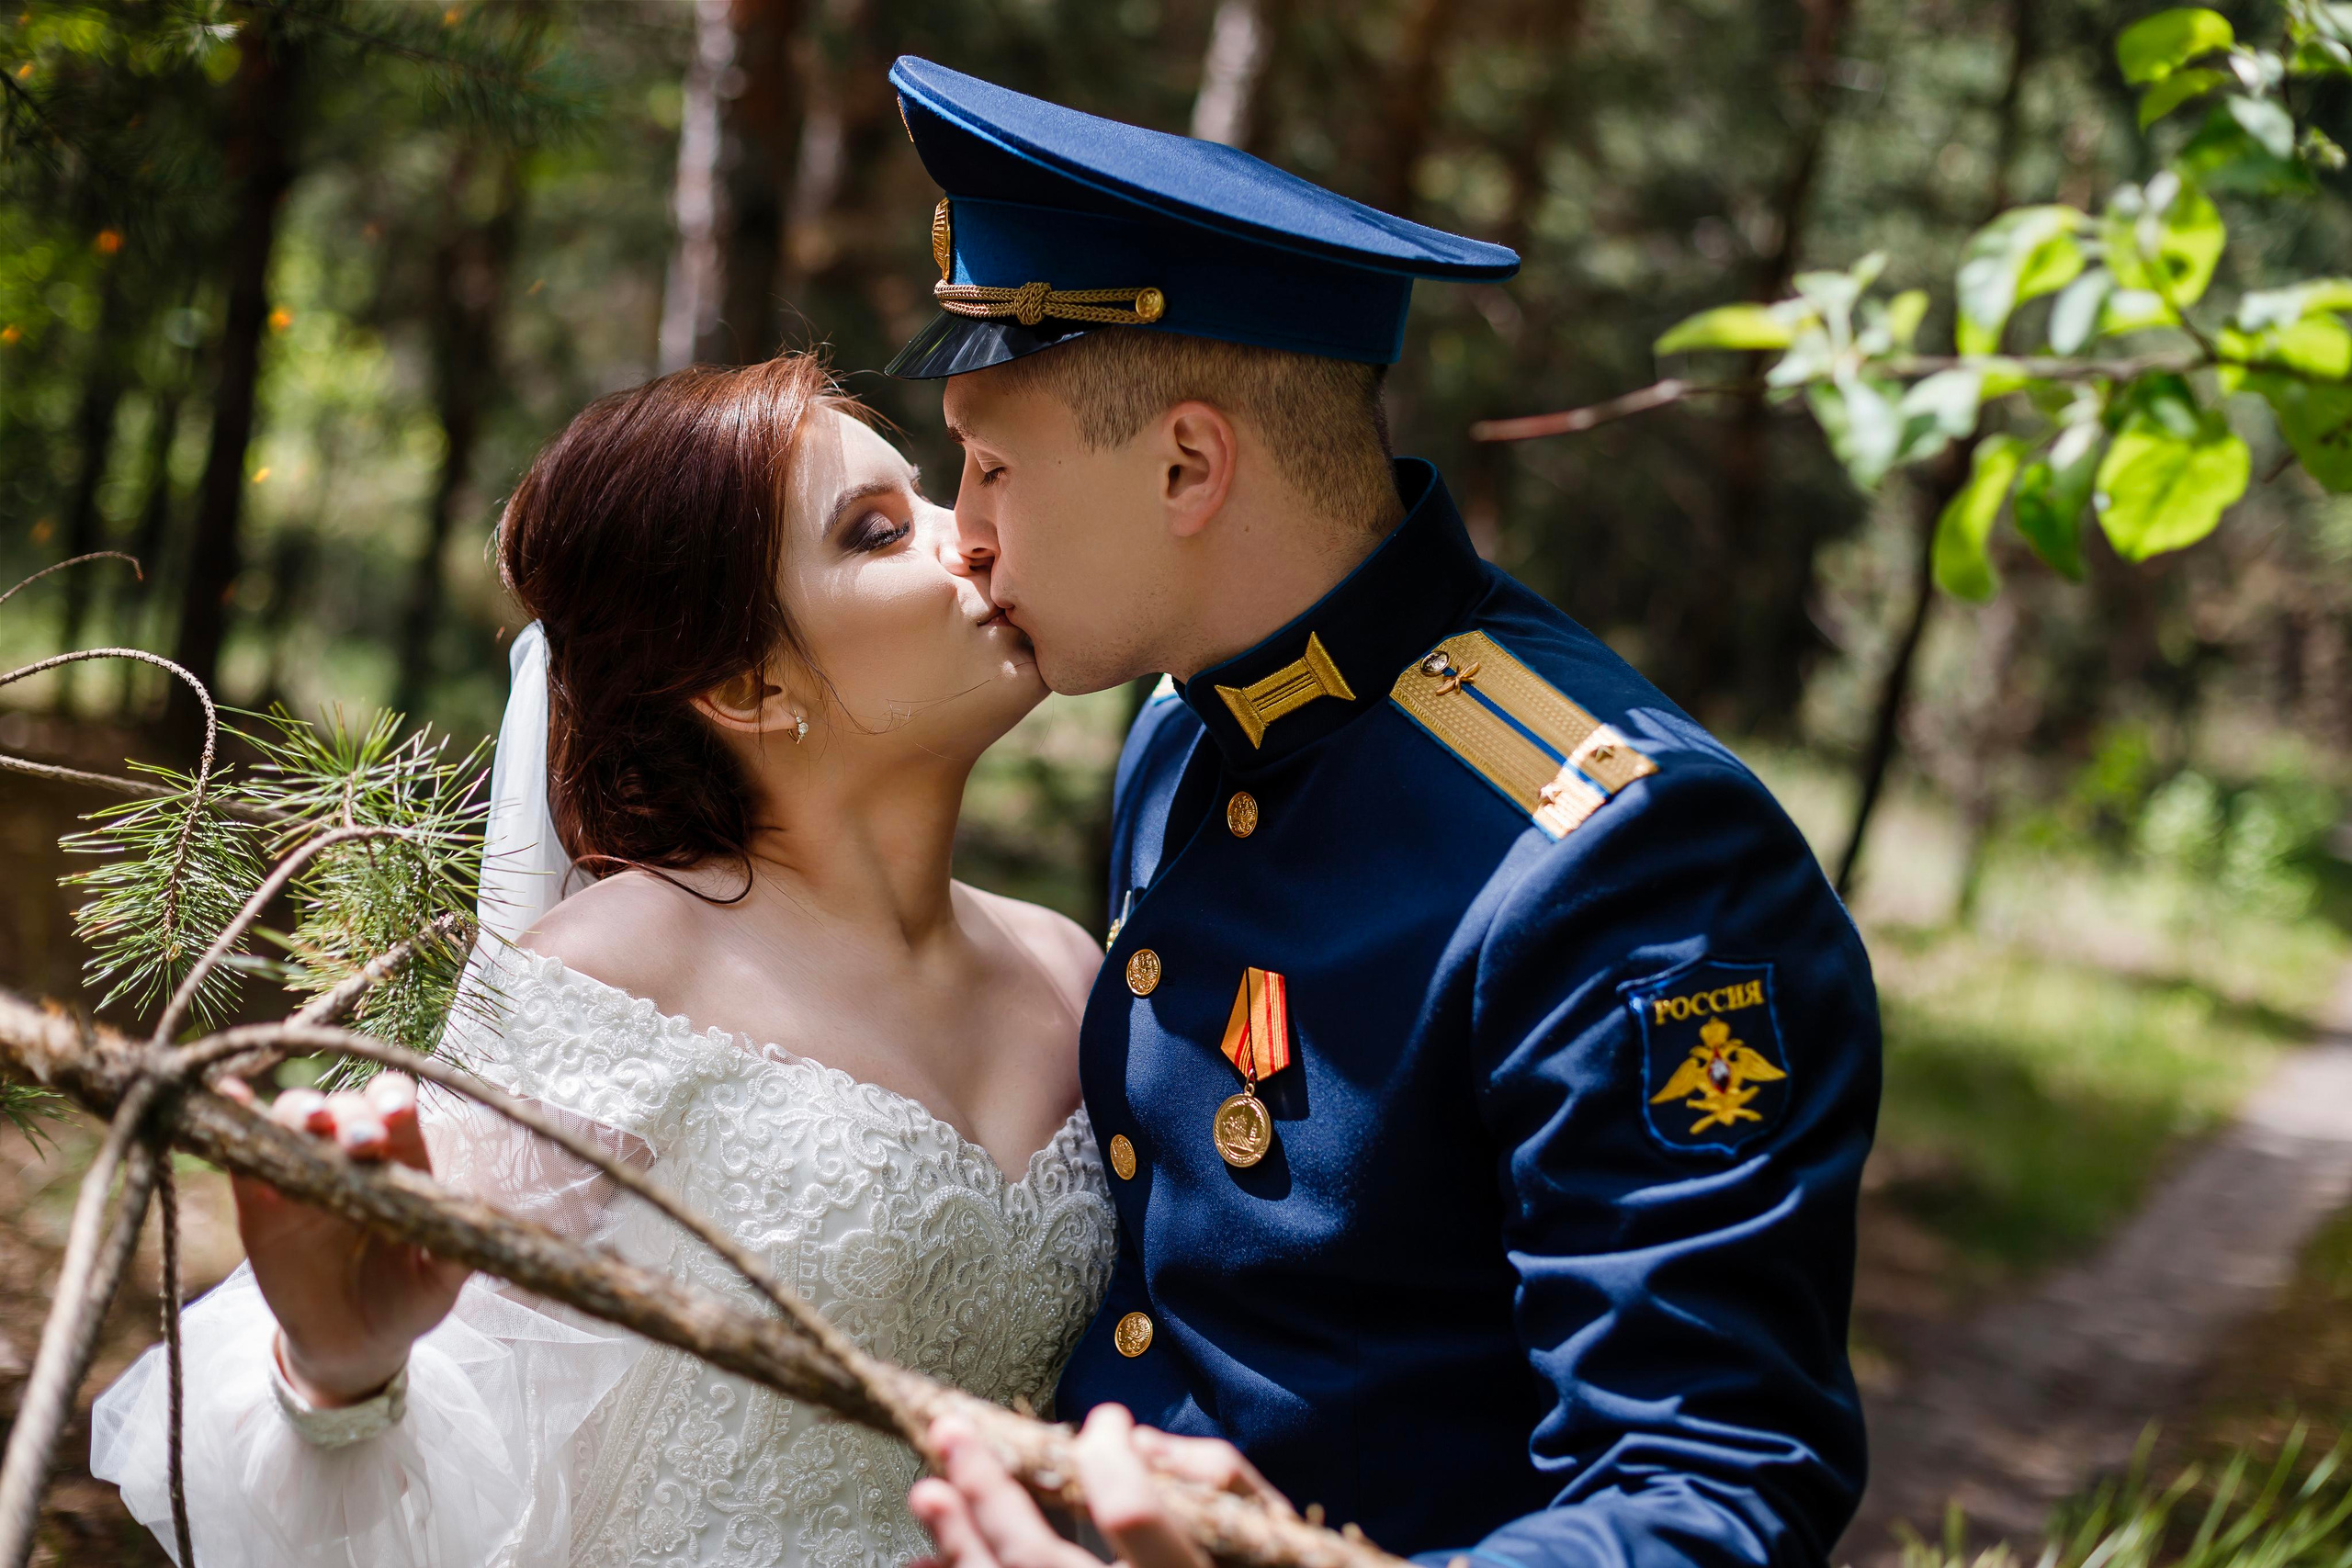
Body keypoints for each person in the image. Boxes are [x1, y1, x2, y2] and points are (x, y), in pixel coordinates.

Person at [880, 59, 1882, 1568]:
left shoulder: (1625, 858)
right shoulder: (1179, 726)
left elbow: (1719, 1487)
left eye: (995, 462)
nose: (965, 528)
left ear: (1187, 464)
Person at [91, 353, 1126, 1568]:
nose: (975, 541)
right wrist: (342, 1371)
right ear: (749, 683)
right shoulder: (621, 973)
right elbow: (445, 1418)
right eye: (879, 530)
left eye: (936, 497)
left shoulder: (1071, 974)